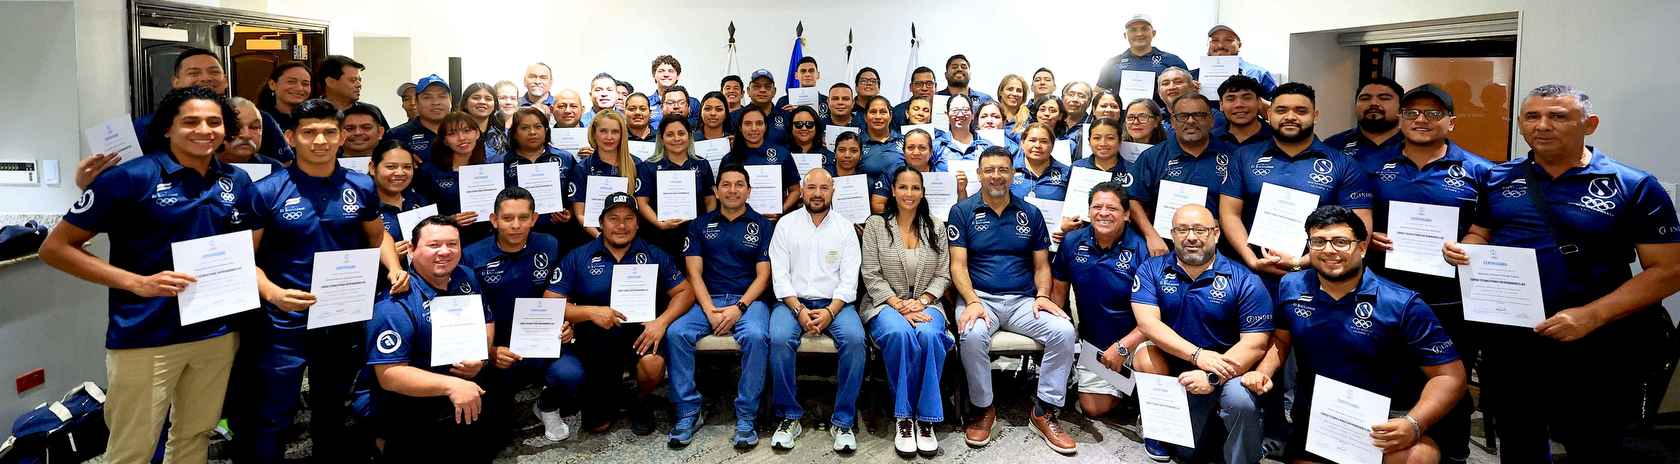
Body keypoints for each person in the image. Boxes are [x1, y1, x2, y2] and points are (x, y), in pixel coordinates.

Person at [1442, 84, 1680, 462]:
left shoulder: (1633, 184)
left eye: (1558, 116)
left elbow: (1669, 270)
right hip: (1512, 342)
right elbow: (1481, 232)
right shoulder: (1498, 178)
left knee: (1596, 444)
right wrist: (1465, 248)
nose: (1542, 125)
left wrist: (1590, 316)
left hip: (1598, 343)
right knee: (1519, 441)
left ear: (1590, 124)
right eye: (1532, 117)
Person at [40, 86, 253, 463]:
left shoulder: (236, 181)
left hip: (216, 331)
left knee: (195, 435)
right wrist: (136, 282)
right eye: (191, 121)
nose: (204, 130)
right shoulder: (129, 178)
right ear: (168, 128)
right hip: (146, 334)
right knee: (132, 447)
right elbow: (55, 248)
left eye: (214, 122)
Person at [231, 98, 405, 463]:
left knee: (332, 408)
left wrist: (392, 267)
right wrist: (273, 293)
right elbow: (242, 259)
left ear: (341, 137)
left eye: (329, 132)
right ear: (291, 137)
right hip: (283, 320)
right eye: (309, 132)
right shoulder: (266, 190)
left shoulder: (361, 185)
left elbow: (377, 237)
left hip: (341, 316)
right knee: (273, 412)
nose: (320, 141)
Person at [1246, 205, 1467, 464]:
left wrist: (1413, 423)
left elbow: (1450, 376)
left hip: (1387, 421)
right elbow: (1281, 341)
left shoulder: (1402, 304)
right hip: (1319, 420)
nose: (1329, 250)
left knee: (1420, 456)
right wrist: (1263, 371)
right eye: (1318, 241)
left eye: (1341, 242)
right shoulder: (1290, 286)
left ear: (1362, 248)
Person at [1360, 84, 1494, 462]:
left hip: (1451, 301)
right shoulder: (1372, 167)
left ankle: (1453, 454)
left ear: (1451, 122)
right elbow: (1359, 217)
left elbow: (1486, 226)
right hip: (1384, 295)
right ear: (1401, 119)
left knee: (1450, 382)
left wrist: (1470, 244)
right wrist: (1369, 237)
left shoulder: (1480, 171)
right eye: (1412, 113)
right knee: (1387, 378)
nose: (1421, 120)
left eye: (1433, 114)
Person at [950, 147, 1077, 454]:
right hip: (980, 299)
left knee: (1064, 331)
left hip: (1023, 301)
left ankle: (1044, 410)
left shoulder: (1030, 213)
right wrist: (972, 301)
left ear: (1013, 173)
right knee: (972, 334)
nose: (996, 176)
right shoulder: (962, 211)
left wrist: (1043, 296)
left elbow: (1042, 265)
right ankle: (983, 408)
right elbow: (958, 266)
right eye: (989, 170)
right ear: (979, 174)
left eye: (1003, 170)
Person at [1130, 204, 1271, 463]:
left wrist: (1212, 376)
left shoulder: (1245, 280)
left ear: (1215, 233)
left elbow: (1255, 344)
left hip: (1225, 367)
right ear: (1172, 234)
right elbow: (1148, 324)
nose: (1191, 237)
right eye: (1182, 229)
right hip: (1175, 364)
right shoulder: (1151, 269)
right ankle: (1157, 426)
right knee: (1144, 355)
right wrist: (1197, 356)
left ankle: (1245, 458)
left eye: (1199, 229)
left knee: (1240, 399)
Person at [545, 192, 695, 435]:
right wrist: (590, 312)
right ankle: (610, 395)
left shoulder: (654, 253)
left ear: (638, 223)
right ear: (601, 222)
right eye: (613, 218)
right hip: (595, 337)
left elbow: (685, 292)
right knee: (597, 425)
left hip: (640, 333)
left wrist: (661, 322)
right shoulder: (578, 256)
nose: (621, 225)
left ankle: (640, 399)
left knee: (653, 363)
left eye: (628, 218)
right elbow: (551, 301)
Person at [363, 216, 497, 462]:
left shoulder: (466, 276)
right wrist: (451, 385)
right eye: (434, 245)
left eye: (452, 244)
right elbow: (390, 374)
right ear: (412, 249)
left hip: (464, 390)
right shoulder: (393, 303)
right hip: (411, 406)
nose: (444, 251)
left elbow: (487, 320)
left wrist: (481, 356)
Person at [662, 164, 773, 448]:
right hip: (707, 299)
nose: (732, 190)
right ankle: (688, 411)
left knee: (756, 336)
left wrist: (739, 308)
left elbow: (763, 276)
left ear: (749, 191)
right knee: (676, 333)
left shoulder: (763, 225)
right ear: (716, 190)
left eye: (739, 184)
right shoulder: (699, 225)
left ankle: (746, 415)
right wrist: (709, 309)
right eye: (726, 184)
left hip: (748, 301)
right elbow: (694, 273)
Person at [1219, 83, 1372, 286]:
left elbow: (1360, 226)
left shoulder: (1343, 164)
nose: (1290, 117)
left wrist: (1300, 263)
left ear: (1315, 116)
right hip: (1250, 276)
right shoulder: (1243, 157)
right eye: (1281, 110)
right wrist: (1251, 260)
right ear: (1269, 114)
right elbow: (1230, 213)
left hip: (1318, 277)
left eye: (1301, 111)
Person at [462, 187, 582, 445]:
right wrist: (488, 350)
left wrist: (567, 324)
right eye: (507, 218)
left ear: (534, 219)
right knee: (498, 435)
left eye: (523, 217)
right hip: (498, 347)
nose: (516, 225)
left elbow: (562, 289)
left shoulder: (549, 244)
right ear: (494, 220)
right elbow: (467, 312)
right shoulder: (471, 255)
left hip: (543, 337)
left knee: (571, 374)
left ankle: (547, 405)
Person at [765, 168, 866, 452]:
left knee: (856, 340)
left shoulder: (845, 228)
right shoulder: (785, 225)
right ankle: (789, 416)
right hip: (791, 302)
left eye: (824, 188)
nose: (818, 194)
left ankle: (843, 420)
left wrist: (830, 312)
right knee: (779, 339)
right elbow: (779, 276)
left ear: (833, 191)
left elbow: (849, 279)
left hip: (835, 303)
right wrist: (798, 310)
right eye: (812, 188)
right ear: (802, 190)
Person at [861, 166, 953, 457]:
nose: (909, 193)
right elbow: (871, 273)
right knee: (900, 334)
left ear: (923, 192)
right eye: (903, 187)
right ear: (893, 190)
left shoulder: (935, 226)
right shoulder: (876, 225)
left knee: (929, 336)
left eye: (915, 188)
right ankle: (904, 417)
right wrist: (899, 305)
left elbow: (943, 274)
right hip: (884, 304)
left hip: (927, 304)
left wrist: (923, 300)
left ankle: (925, 420)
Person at [1051, 181, 1150, 418]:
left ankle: (1143, 396)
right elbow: (1058, 296)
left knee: (1148, 363)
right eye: (1097, 207)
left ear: (1126, 214)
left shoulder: (1144, 249)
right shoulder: (1072, 241)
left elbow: (1155, 316)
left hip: (1136, 339)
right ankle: (1124, 386)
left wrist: (1124, 347)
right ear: (1089, 211)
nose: (1103, 213)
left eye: (1112, 208)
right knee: (1094, 408)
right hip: (1095, 344)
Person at [1127, 95, 1234, 257]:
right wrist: (1151, 235)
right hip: (1166, 248)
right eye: (1183, 116)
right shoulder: (1152, 157)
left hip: (1221, 251)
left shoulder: (1232, 156)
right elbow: (1133, 199)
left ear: (1211, 120)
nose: (1190, 121)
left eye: (1199, 115)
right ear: (1172, 121)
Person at [500, 106, 581, 250]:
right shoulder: (502, 162)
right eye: (524, 128)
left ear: (546, 130)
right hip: (516, 234)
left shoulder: (565, 158)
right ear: (515, 133)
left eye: (538, 127)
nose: (532, 132)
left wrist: (570, 213)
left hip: (560, 234)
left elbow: (577, 194)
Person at [637, 117, 716, 257]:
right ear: (661, 139)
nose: (676, 138)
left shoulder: (702, 164)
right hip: (660, 237)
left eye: (681, 133)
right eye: (670, 134)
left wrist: (705, 225)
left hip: (696, 235)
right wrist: (660, 224)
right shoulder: (648, 166)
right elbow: (642, 202)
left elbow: (710, 200)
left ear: (689, 136)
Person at [569, 110, 647, 238]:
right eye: (603, 131)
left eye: (615, 132)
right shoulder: (583, 168)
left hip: (629, 237)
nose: (609, 137)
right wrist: (601, 238)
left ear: (622, 135)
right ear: (594, 134)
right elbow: (580, 214)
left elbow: (642, 208)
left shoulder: (636, 165)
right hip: (594, 237)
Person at [721, 108, 799, 217]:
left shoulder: (782, 154)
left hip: (774, 220)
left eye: (759, 123)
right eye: (748, 124)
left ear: (766, 127)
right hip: (738, 220)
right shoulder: (729, 159)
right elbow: (721, 193)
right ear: (740, 127)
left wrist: (780, 209)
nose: (754, 128)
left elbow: (795, 190)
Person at [1096, 14, 1189, 93]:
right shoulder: (1112, 63)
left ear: (1153, 33)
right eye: (1133, 30)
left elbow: (1190, 88)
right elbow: (1098, 91)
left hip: (1162, 110)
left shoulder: (1172, 60)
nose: (1139, 34)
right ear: (1125, 35)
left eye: (1144, 29)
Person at [1325, 77, 1405, 166]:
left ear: (1401, 108)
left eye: (1384, 98)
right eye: (1365, 98)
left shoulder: (1413, 144)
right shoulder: (1333, 145)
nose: (1373, 103)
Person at [370, 140, 428, 247]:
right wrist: (386, 255)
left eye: (407, 167)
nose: (400, 173)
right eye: (391, 167)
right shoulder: (363, 208)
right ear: (373, 168)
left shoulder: (420, 201)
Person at [1191, 25, 1278, 96]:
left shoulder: (1259, 74)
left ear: (1239, 45)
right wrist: (1186, 93)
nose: (1220, 45)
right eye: (1215, 40)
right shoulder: (1192, 76)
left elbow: (1275, 107)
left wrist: (1251, 98)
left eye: (1228, 40)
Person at [385, 74, 452, 157]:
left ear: (450, 100)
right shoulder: (396, 135)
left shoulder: (463, 131)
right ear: (416, 102)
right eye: (427, 97)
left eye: (442, 96)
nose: (436, 102)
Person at [317, 55, 387, 128]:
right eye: (353, 80)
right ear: (330, 82)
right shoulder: (311, 112)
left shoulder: (372, 111)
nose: (359, 85)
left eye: (359, 80)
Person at [730, 69, 793, 146]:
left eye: (767, 87)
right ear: (748, 91)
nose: (762, 90)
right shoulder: (734, 117)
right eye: (757, 86)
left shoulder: (787, 116)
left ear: (774, 91)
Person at [219, 97, 284, 169]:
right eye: (236, 126)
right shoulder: (208, 166)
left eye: (254, 127)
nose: (246, 135)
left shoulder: (275, 169)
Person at [1011, 122, 1070, 202]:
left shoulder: (1066, 173)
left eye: (1044, 141)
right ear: (1022, 143)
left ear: (1052, 145)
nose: (1037, 145)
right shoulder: (1009, 169)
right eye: (1032, 140)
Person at [1211, 75, 1272, 149]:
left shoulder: (1278, 138)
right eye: (1231, 99)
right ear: (1221, 105)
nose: (1239, 105)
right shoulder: (1210, 140)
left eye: (1247, 98)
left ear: (1259, 102)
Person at [859, 96, 907, 185]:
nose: (878, 116)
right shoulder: (857, 142)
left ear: (890, 115)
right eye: (873, 112)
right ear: (865, 116)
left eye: (883, 112)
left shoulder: (904, 141)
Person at [648, 55, 701, 129]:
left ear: (678, 76)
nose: (666, 75)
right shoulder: (646, 103)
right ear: (654, 75)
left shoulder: (693, 103)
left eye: (671, 71)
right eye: (661, 71)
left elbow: (699, 127)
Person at [458, 83, 507, 160]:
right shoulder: (455, 134)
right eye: (476, 98)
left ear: (495, 105)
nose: (482, 102)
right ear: (465, 104)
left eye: (488, 99)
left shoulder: (501, 134)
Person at [939, 94, 992, 163]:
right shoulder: (937, 146)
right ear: (947, 115)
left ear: (973, 115)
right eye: (955, 110)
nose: (960, 114)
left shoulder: (987, 146)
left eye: (965, 110)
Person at [258, 62, 311, 131]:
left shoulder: (317, 119)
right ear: (272, 84)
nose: (299, 88)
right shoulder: (259, 119)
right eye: (291, 82)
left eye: (305, 84)